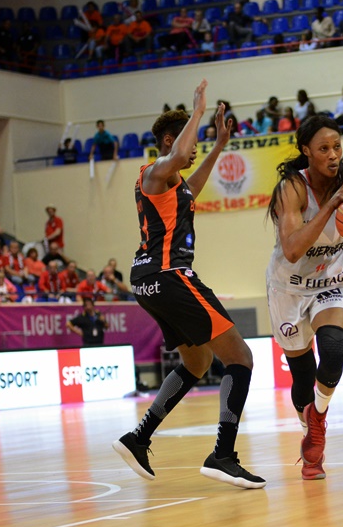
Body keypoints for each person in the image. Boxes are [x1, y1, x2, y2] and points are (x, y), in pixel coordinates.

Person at [113, 80, 265, 489]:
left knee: (197, 362)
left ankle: (138, 437)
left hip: (149, 280)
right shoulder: (153, 172)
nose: (194, 146)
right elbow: (180, 154)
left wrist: (217, 145)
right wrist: (197, 111)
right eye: (191, 139)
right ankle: (223, 454)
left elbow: (193, 184)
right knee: (241, 358)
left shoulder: (174, 186)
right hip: (169, 277)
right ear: (169, 139)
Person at [266, 113, 343, 481]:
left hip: (329, 281)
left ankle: (318, 419)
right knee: (303, 376)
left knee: (335, 348)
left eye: (337, 146)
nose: (333, 154)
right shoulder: (291, 188)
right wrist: (330, 206)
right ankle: (307, 427)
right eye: (324, 148)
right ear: (306, 151)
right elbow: (292, 250)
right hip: (288, 286)